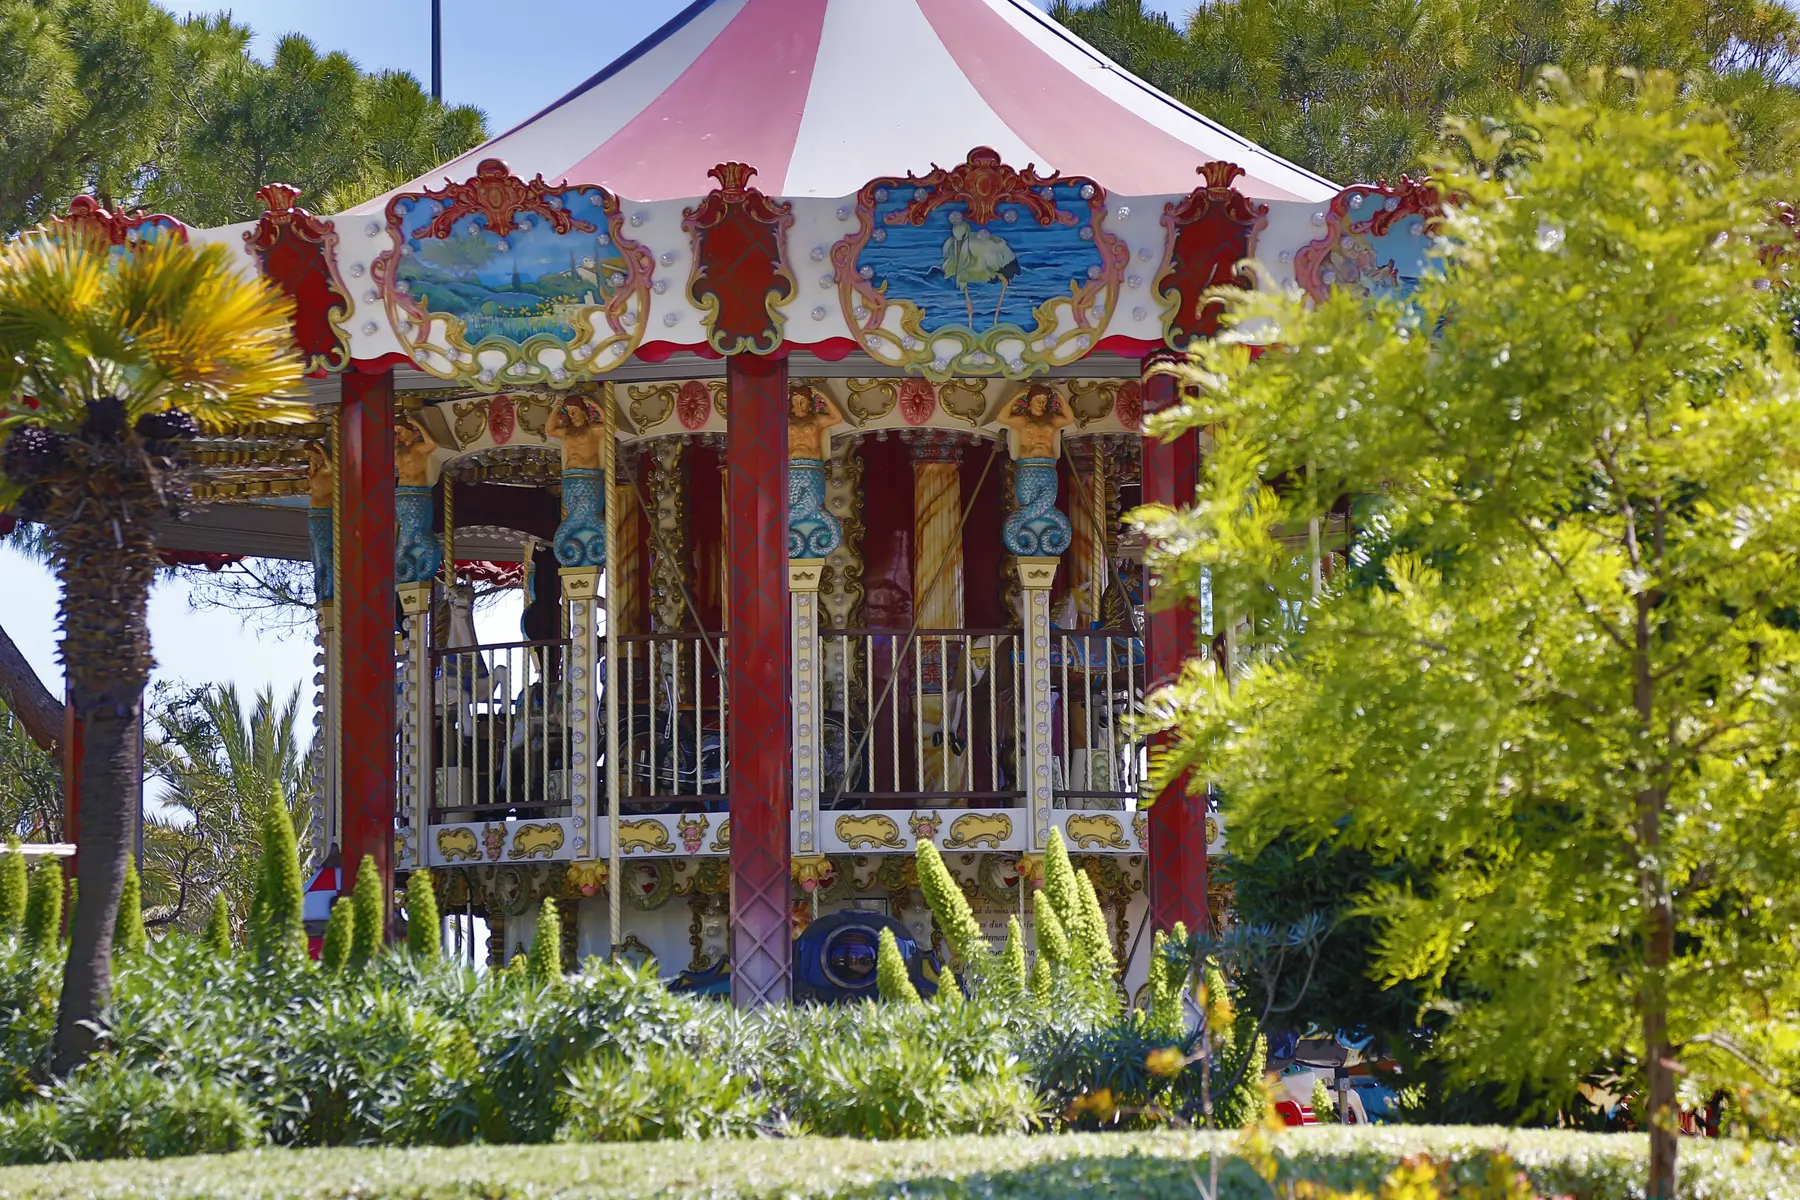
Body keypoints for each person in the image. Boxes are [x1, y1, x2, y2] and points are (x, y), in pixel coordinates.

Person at [997, 383, 1075, 459]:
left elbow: (1069, 419)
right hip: (1027, 461)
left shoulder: (1051, 419)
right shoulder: (1022, 420)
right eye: (1038, 399)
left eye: (1045, 400)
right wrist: (1017, 396)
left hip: (1048, 460)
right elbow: (1001, 418)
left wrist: (1061, 397)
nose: (1041, 403)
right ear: (1030, 401)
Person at [545, 393, 607, 470]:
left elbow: (610, 427)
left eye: (574, 410)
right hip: (570, 471)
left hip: (589, 471)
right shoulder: (566, 430)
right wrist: (555, 409)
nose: (571, 414)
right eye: (569, 411)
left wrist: (595, 405)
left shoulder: (592, 429)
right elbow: (550, 431)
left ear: (583, 412)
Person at [787, 383, 843, 460]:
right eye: (795, 401)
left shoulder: (817, 420)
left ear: (809, 403)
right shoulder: (785, 421)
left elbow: (837, 418)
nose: (799, 405)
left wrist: (822, 395)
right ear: (791, 403)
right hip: (790, 460)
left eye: (803, 401)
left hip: (812, 460)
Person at [395, 417, 439, 487]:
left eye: (400, 430)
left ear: (409, 431)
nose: (398, 435)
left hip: (417, 489)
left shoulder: (417, 448)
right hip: (400, 491)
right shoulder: (399, 450)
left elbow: (432, 444)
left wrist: (416, 424)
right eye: (396, 432)